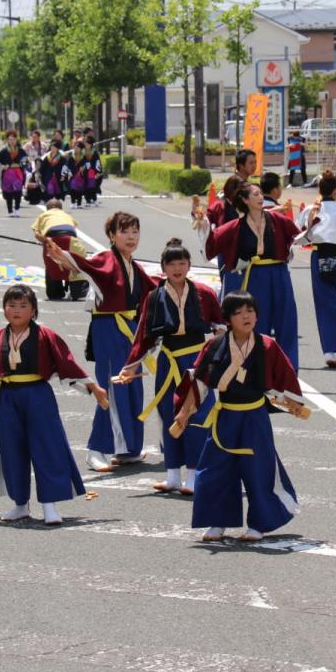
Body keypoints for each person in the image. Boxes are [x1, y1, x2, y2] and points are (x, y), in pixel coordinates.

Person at [0, 284, 107, 525]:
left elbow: (67, 364)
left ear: (34, 311)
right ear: (4, 309)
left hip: (38, 395)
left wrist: (93, 386)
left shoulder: (45, 336)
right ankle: (20, 504)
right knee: (11, 449)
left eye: (23, 306)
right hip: (6, 397)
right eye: (11, 305)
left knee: (47, 447)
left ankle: (50, 505)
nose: (16, 310)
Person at [172, 291, 307, 542]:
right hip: (225, 415)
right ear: (228, 318)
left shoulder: (267, 345)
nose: (246, 316)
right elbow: (200, 379)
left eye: (250, 311)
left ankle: (259, 523)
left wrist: (294, 403)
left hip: (254, 416)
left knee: (259, 469)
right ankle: (217, 521)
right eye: (239, 312)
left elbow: (283, 377)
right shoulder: (215, 345)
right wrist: (184, 412)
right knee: (214, 469)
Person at [45, 211, 153, 472]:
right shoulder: (106, 258)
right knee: (112, 388)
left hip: (130, 331)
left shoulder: (133, 265)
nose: (131, 237)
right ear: (112, 236)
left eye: (135, 231)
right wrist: (63, 255)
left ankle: (128, 449)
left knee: (132, 387)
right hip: (108, 330)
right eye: (124, 231)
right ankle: (96, 449)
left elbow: (154, 289)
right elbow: (84, 265)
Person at [118, 239, 223, 495]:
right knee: (168, 413)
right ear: (163, 267)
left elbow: (221, 328)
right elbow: (144, 336)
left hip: (197, 361)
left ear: (189, 265)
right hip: (169, 360)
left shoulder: (204, 293)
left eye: (182, 263)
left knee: (197, 415)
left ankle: (195, 475)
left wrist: (222, 360)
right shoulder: (154, 297)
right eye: (172, 264)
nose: (178, 268)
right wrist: (130, 367)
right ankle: (172, 474)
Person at [201, 183, 301, 367]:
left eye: (261, 193)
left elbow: (300, 234)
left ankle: (289, 369)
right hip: (254, 276)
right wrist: (202, 226)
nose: (261, 197)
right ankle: (255, 368)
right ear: (245, 200)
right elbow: (211, 244)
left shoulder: (277, 219)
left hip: (279, 274)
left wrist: (311, 222)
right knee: (256, 322)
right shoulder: (236, 226)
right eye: (255, 194)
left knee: (286, 320)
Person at [296, 172, 336, 367]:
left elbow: (298, 234)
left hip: (319, 255)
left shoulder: (311, 210)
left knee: (325, 304)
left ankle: (330, 351)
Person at [31, 199, 89, 301]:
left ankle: (55, 292)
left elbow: (37, 234)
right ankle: (79, 290)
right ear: (60, 208)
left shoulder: (44, 215)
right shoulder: (66, 215)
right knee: (78, 263)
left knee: (52, 265)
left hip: (52, 238)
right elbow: (73, 227)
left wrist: (45, 241)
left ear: (47, 209)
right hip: (71, 238)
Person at [0, 130, 30, 217]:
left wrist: (20, 165)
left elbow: (26, 161)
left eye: (13, 139)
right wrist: (3, 166)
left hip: (18, 173)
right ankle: (10, 211)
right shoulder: (3, 152)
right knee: (8, 192)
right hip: (7, 174)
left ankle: (17, 209)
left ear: (16, 140)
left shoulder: (21, 151)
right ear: (7, 140)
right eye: (10, 139)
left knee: (18, 191)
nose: (12, 141)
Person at [78, 140, 103, 207]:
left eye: (87, 143)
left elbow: (97, 162)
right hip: (85, 172)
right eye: (85, 143)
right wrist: (81, 166)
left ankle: (94, 199)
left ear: (90, 144)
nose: (86, 144)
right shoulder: (83, 152)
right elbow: (80, 161)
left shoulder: (94, 152)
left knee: (92, 186)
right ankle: (87, 201)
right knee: (85, 186)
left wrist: (98, 172)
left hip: (92, 172)